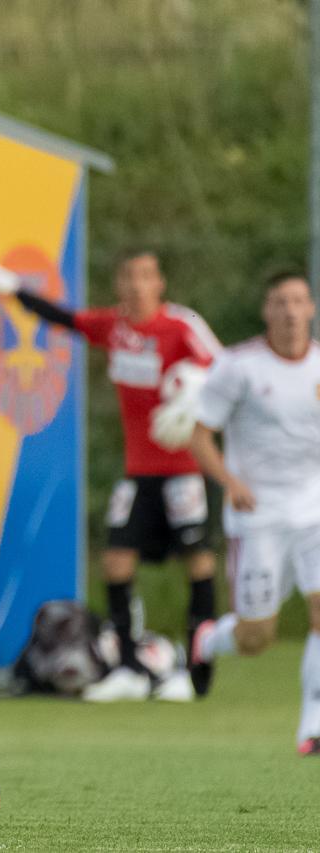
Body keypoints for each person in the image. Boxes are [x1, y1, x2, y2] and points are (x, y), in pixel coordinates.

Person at [0, 248, 220, 702]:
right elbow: (62, 318)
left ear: (160, 283)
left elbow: (226, 371)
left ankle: (196, 675)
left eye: (145, 275)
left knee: (199, 562)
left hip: (183, 470)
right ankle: (128, 668)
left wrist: (195, 399)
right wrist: (7, 286)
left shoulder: (182, 326)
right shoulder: (114, 328)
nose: (137, 285)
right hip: (138, 471)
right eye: (128, 276)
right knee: (116, 562)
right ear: (118, 284)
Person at [189, 270, 320, 756]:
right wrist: (231, 482)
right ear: (267, 310)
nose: (290, 312)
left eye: (299, 301)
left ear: (311, 308)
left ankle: (312, 727)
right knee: (256, 637)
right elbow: (200, 435)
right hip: (257, 515)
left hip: (313, 509)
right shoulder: (239, 366)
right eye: (280, 302)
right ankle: (209, 639)